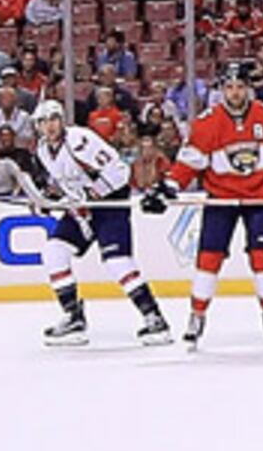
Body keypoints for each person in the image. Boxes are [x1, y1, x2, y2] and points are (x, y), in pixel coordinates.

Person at [170, 62, 263, 348]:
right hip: (221, 199)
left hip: (261, 198)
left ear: (249, 88)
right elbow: (188, 164)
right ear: (221, 90)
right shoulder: (207, 123)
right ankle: (197, 315)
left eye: (240, 86)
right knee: (209, 259)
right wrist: (168, 187)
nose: (235, 92)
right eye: (229, 87)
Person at [17, 98, 172, 345]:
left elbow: (119, 172)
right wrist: (47, 199)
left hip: (109, 204)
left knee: (117, 262)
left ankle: (154, 319)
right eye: (44, 122)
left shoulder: (79, 140)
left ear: (62, 120)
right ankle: (73, 318)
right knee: (54, 251)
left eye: (54, 119)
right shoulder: (43, 151)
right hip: (83, 209)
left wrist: (91, 196)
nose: (50, 126)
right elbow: (66, 184)